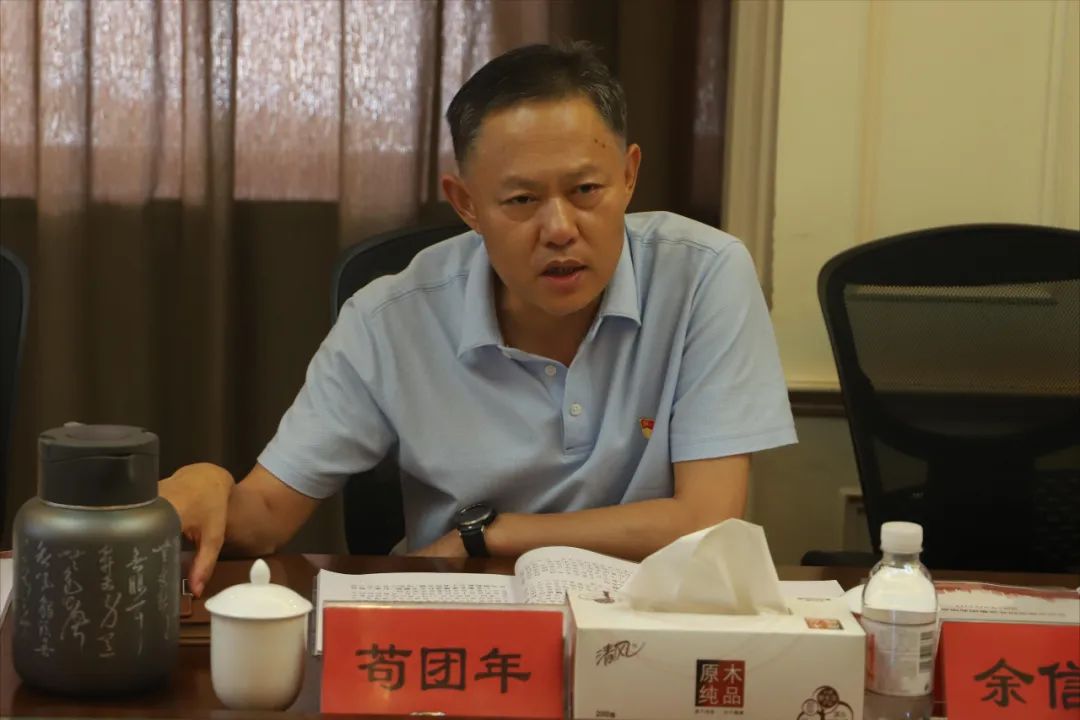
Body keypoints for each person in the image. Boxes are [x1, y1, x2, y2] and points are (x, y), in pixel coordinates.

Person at [160, 42, 796, 598]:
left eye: (585, 191)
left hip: (645, 625)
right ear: (466, 203)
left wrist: (491, 535)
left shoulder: (705, 275)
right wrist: (210, 486)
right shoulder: (390, 320)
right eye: (521, 199)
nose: (559, 229)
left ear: (629, 176)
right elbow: (267, 512)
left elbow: (708, 519)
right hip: (464, 617)